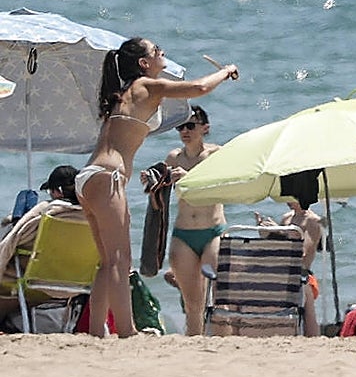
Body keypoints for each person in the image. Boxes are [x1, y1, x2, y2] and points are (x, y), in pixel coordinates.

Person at [78, 37, 237, 338]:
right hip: (107, 177)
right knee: (119, 261)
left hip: (89, 177)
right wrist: (226, 71)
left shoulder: (123, 93)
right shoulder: (146, 86)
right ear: (143, 63)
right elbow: (200, 88)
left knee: (107, 261)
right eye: (156, 51)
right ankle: (127, 331)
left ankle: (97, 330)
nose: (162, 52)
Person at [162, 105, 227, 336]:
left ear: (205, 128)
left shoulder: (216, 154)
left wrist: (190, 178)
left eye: (191, 125)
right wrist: (152, 180)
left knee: (217, 299)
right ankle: (194, 345)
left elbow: (223, 187)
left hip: (213, 231)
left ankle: (222, 341)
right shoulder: (173, 157)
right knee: (192, 303)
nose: (185, 130)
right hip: (184, 233)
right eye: (181, 126)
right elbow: (160, 192)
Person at [0, 165, 84, 290]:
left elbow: (16, 236)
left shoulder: (48, 212)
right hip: (81, 278)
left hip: (42, 276)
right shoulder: (92, 216)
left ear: (57, 192)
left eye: (50, 191)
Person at [256, 198, 324, 337]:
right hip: (282, 273)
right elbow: (277, 249)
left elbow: (303, 253)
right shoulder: (287, 218)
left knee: (306, 294)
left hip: (301, 274)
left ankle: (312, 338)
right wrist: (267, 232)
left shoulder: (314, 221)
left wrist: (281, 232)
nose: (287, 200)